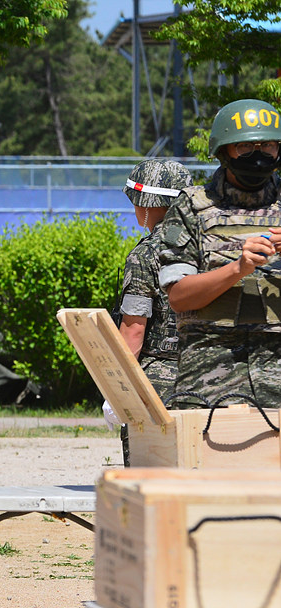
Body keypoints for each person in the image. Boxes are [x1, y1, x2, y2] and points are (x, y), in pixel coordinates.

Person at [159, 98, 281, 407]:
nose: (258, 155)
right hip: (210, 371)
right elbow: (179, 297)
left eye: (268, 145)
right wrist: (238, 268)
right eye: (244, 147)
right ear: (223, 151)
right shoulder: (193, 206)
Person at [103, 158, 192, 465]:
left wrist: (118, 391)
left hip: (159, 381)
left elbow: (134, 330)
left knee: (149, 477)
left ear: (146, 204)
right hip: (209, 372)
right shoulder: (209, 243)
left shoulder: (146, 253)